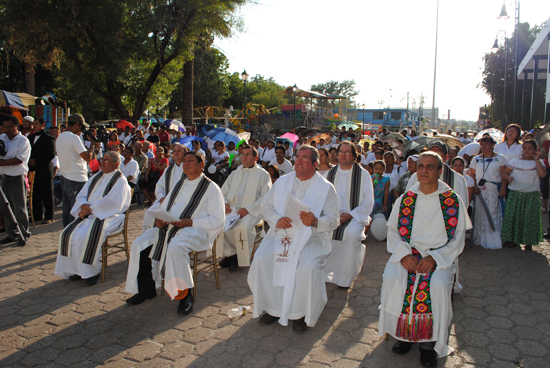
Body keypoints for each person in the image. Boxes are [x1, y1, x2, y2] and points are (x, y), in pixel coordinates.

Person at [378, 151, 472, 366]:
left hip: (438, 256)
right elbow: (393, 232)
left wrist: (435, 259)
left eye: (430, 167)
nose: (424, 170)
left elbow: (458, 238)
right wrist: (403, 255)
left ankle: (429, 344)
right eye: (420, 166)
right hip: (409, 254)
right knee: (392, 277)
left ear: (440, 171)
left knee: (437, 285)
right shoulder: (406, 199)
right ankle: (403, 336)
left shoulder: (451, 200)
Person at [248, 145, 339, 332]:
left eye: (305, 158)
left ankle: (301, 312)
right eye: (297, 157)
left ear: (315, 164)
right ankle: (274, 307)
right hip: (282, 234)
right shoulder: (282, 182)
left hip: (311, 238)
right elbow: (266, 206)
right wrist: (276, 219)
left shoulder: (326, 188)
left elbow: (334, 220)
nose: (298, 161)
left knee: (308, 266)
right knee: (262, 259)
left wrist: (315, 221)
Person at [125, 151, 225, 314]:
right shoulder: (180, 183)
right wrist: (160, 219)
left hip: (196, 230)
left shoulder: (211, 188)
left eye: (191, 161)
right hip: (170, 227)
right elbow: (165, 207)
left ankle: (185, 296)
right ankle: (146, 289)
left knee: (176, 248)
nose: (186, 163)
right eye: (185, 161)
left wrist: (190, 222)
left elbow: (218, 220)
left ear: (201, 165)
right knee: (139, 243)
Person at [54, 151, 131, 286]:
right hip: (91, 214)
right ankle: (75, 270)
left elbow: (113, 203)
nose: (102, 162)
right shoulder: (96, 177)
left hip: (110, 216)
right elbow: (82, 194)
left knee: (85, 235)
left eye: (106, 160)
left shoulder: (120, 181)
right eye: (102, 159)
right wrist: (83, 206)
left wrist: (89, 210)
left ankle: (91, 272)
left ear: (116, 164)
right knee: (68, 233)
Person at [323, 141, 374, 288]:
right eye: (340, 152)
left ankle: (345, 278)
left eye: (347, 152)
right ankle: (326, 272)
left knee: (351, 235)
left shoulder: (363, 175)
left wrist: (350, 215)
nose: (343, 155)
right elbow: (322, 197)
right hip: (333, 215)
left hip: (355, 216)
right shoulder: (329, 174)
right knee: (323, 232)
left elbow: (368, 202)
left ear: (354, 156)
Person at [219, 145, 272, 270]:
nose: (245, 157)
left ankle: (240, 259)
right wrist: (225, 203)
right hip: (232, 210)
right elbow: (223, 192)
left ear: (255, 157)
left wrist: (247, 209)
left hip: (252, 211)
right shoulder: (235, 173)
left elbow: (265, 197)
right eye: (243, 154)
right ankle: (231, 254)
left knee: (242, 227)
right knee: (220, 225)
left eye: (248, 154)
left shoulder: (263, 174)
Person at [502, 140, 546, 249]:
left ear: (535, 150)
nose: (527, 150)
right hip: (515, 194)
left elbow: (543, 174)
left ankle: (528, 241)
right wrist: (509, 178)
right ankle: (512, 239)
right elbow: (504, 173)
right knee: (513, 217)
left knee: (529, 218)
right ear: (522, 149)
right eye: (525, 148)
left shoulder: (538, 163)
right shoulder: (515, 161)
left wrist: (536, 160)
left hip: (531, 195)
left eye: (530, 148)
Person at [56, 114, 97, 226]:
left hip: (65, 177)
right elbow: (88, 158)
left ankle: (67, 233)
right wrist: (92, 144)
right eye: (81, 127)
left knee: (67, 211)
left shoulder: (60, 137)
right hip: (77, 179)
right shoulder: (74, 138)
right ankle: (74, 235)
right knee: (77, 212)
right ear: (77, 125)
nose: (81, 131)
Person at [470, 136, 507, 249]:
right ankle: (481, 237)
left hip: (494, 189)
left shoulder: (500, 158)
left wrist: (503, 188)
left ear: (492, 145)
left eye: (486, 144)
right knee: (480, 213)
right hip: (480, 191)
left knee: (493, 212)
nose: (484, 146)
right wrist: (475, 187)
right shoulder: (476, 159)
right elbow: (472, 175)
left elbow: (503, 175)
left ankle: (494, 237)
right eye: (482, 144)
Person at [0, 116, 32, 245]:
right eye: (5, 127)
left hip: (16, 178)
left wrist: (2, 163)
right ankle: (12, 233)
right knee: (5, 207)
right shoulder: (2, 138)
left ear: (16, 127)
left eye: (9, 127)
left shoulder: (23, 141)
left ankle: (24, 234)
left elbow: (19, 159)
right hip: (3, 178)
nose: (6, 129)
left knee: (19, 208)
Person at [406, 141, 469, 206]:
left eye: (438, 153)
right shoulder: (416, 176)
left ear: (446, 157)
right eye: (431, 153)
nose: (434, 156)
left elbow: (463, 205)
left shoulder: (457, 179)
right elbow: (408, 201)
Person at [27, 117, 56, 225]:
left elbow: (51, 154)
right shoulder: (31, 137)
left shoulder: (49, 138)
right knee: (35, 193)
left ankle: (49, 216)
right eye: (33, 124)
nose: (35, 126)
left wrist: (37, 161)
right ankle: (37, 215)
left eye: (36, 124)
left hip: (44, 168)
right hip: (33, 170)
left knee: (47, 193)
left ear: (42, 125)